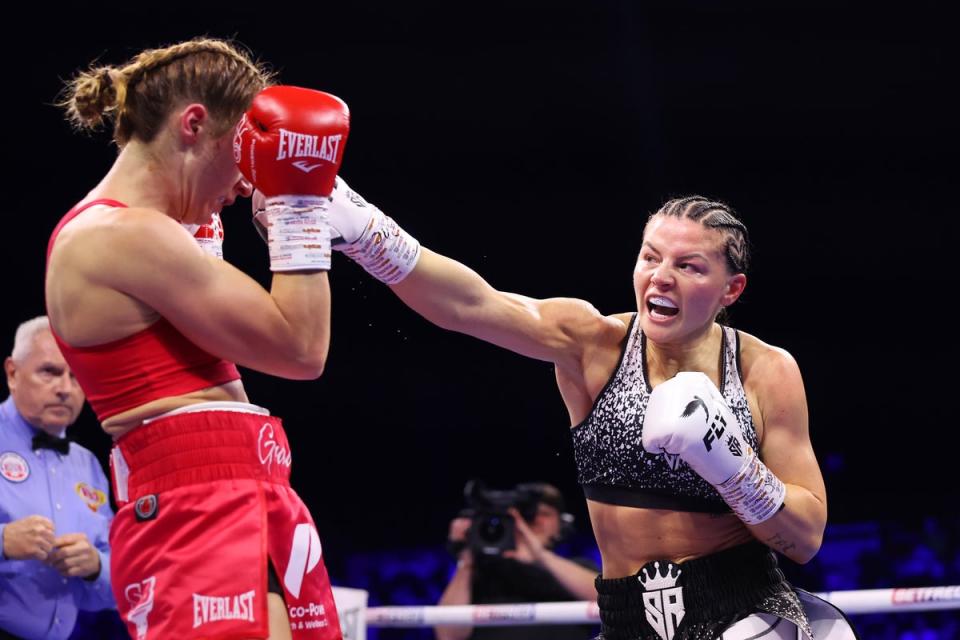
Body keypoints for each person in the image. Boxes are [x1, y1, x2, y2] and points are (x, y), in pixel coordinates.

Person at [291, 182, 859, 639]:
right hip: (625, 620)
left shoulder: (765, 370)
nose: (660, 275)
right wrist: (362, 228)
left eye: (689, 266)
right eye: (651, 256)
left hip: (746, 609)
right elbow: (470, 304)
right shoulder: (594, 345)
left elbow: (805, 539)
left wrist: (730, 463)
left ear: (731, 289)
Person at [47, 39, 351, 640]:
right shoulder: (118, 235)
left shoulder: (158, 234)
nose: (247, 184)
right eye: (243, 152)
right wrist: (297, 209)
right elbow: (301, 350)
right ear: (193, 125)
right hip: (195, 505)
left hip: (245, 488)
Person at [0, 316, 117, 639]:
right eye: (49, 372)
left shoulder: (88, 465)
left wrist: (95, 566)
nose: (65, 388)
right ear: (12, 373)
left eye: (76, 377)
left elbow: (117, 587)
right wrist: (3, 542)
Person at [436, 481, 599, 640]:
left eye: (545, 514)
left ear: (562, 523)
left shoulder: (580, 568)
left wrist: (540, 556)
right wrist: (467, 558)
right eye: (528, 516)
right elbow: (448, 635)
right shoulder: (482, 573)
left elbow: (607, 600)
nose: (536, 521)